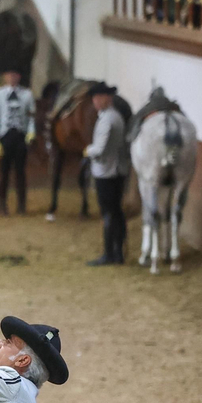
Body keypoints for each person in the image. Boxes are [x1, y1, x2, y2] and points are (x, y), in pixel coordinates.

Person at [84, 83, 128, 266]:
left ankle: (109, 254)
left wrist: (87, 151)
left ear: (107, 98)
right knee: (116, 211)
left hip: (106, 171)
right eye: (94, 98)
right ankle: (118, 252)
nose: (95, 101)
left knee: (108, 213)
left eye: (98, 97)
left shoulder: (106, 119)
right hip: (118, 169)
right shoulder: (115, 116)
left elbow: (100, 149)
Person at [0, 69, 35, 217]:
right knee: (3, 172)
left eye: (15, 75)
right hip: (5, 136)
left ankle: (21, 205)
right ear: (5, 77)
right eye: (9, 75)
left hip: (20, 136)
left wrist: (31, 132)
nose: (12, 78)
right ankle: (1, 205)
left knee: (20, 172)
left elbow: (31, 116)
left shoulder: (27, 94)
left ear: (19, 77)